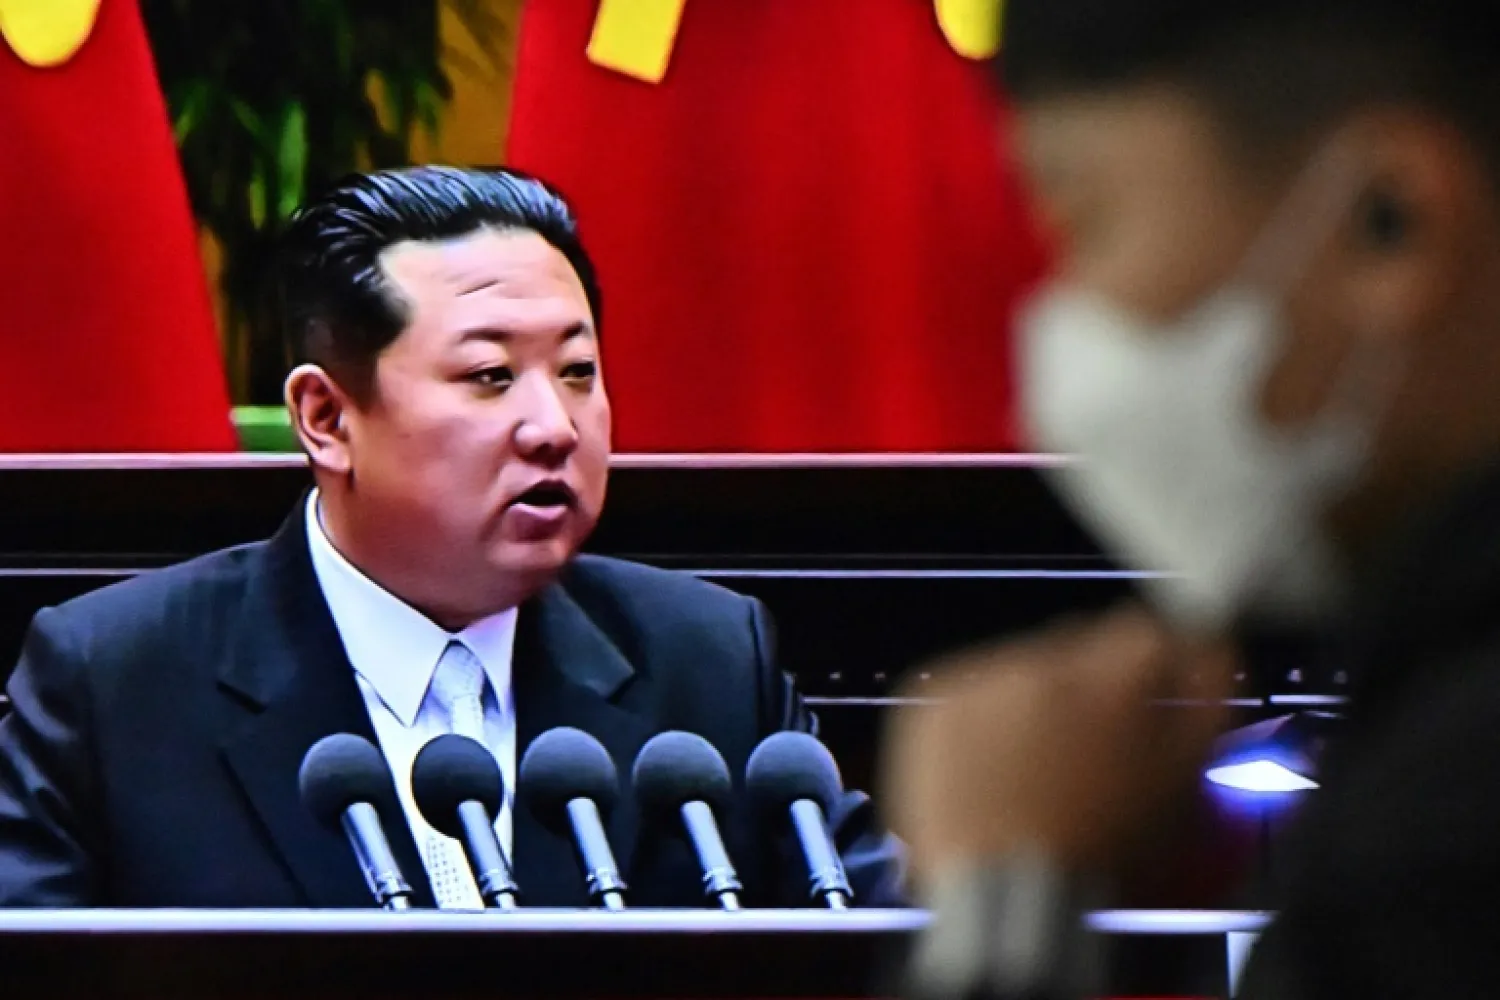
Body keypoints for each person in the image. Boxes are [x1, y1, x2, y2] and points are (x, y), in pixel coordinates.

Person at [0, 166, 903, 909]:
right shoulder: (114, 682)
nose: (553, 425)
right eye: (489, 375)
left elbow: (892, 939)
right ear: (325, 417)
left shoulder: (705, 663)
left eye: (580, 371)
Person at [885, 2, 1500, 997]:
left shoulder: (1440, 842)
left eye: (1085, 226)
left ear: (1392, 221)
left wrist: (1005, 891)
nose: (1061, 325)